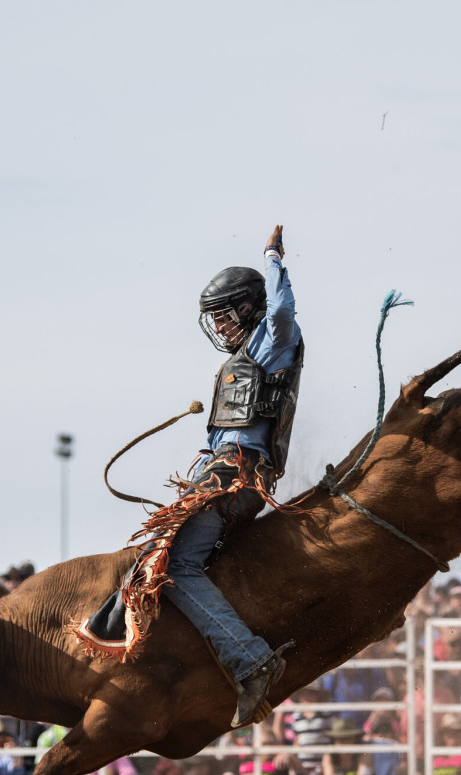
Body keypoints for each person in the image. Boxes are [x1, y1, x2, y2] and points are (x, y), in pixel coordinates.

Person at [78, 225, 303, 729]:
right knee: (156, 552)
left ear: (249, 308)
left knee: (175, 566)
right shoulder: (242, 362)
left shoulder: (274, 338)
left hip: (236, 477)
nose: (219, 326)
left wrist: (273, 258)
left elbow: (284, 309)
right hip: (221, 473)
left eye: (225, 314)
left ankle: (250, 661)